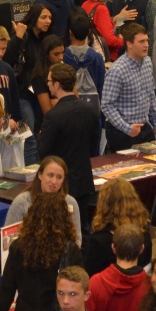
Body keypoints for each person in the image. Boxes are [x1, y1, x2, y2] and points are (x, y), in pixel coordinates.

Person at [0, 192, 83, 311]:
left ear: (32, 215)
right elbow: (79, 288)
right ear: (64, 218)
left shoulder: (18, 247)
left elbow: (7, 289)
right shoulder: (70, 249)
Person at [37, 64, 102, 217]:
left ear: (57, 84)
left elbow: (44, 153)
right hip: (85, 181)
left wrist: (41, 135)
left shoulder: (53, 116)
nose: (47, 84)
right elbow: (94, 147)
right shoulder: (90, 110)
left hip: (61, 184)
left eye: (49, 81)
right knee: (83, 226)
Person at [101, 24, 156, 151]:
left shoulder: (147, 62)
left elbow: (150, 95)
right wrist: (127, 128)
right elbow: (107, 105)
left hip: (144, 126)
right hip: (122, 131)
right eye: (141, 41)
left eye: (147, 40)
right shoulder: (117, 70)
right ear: (129, 44)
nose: (146, 45)